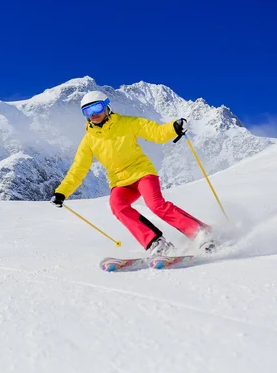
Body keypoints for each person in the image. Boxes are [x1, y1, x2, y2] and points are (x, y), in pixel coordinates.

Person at [50, 90, 212, 256]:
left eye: (97, 108)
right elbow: (78, 169)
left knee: (155, 204)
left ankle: (200, 232)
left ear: (107, 107)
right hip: (120, 182)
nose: (93, 115)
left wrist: (174, 127)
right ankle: (155, 242)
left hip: (142, 173)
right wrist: (62, 192)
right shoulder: (88, 140)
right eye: (87, 111)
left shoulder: (127, 123)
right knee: (117, 205)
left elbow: (155, 132)